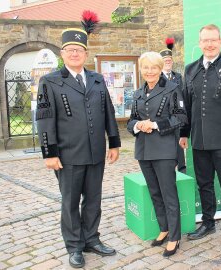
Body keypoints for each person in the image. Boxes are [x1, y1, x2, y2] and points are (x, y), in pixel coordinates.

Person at [36, 12, 120, 269]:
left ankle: (92, 238)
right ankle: (74, 246)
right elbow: (45, 119)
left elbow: (108, 112)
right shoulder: (49, 82)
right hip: (67, 155)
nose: (74, 54)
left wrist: (114, 142)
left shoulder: (96, 79)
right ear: (62, 53)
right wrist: (49, 153)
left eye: (79, 50)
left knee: (94, 199)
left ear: (85, 54)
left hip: (95, 153)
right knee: (71, 202)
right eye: (70, 49)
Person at [179, 24, 221, 250]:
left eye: (213, 40)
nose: (209, 44)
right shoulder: (190, 69)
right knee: (204, 184)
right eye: (205, 40)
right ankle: (208, 223)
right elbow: (187, 106)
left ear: (220, 41)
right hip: (199, 140)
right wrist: (184, 133)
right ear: (199, 43)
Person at [127, 51, 187, 257]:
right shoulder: (137, 93)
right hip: (144, 150)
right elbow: (130, 121)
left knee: (168, 193)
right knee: (155, 192)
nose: (150, 71)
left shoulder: (172, 89)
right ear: (141, 69)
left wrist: (153, 124)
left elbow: (180, 118)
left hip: (165, 150)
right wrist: (137, 126)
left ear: (160, 68)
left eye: (154, 67)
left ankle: (175, 236)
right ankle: (164, 228)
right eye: (146, 67)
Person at [159, 38, 186, 173]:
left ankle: (182, 169)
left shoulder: (177, 76)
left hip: (177, 118)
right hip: (164, 118)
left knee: (179, 146)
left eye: (169, 60)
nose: (168, 62)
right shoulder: (157, 78)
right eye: (165, 61)